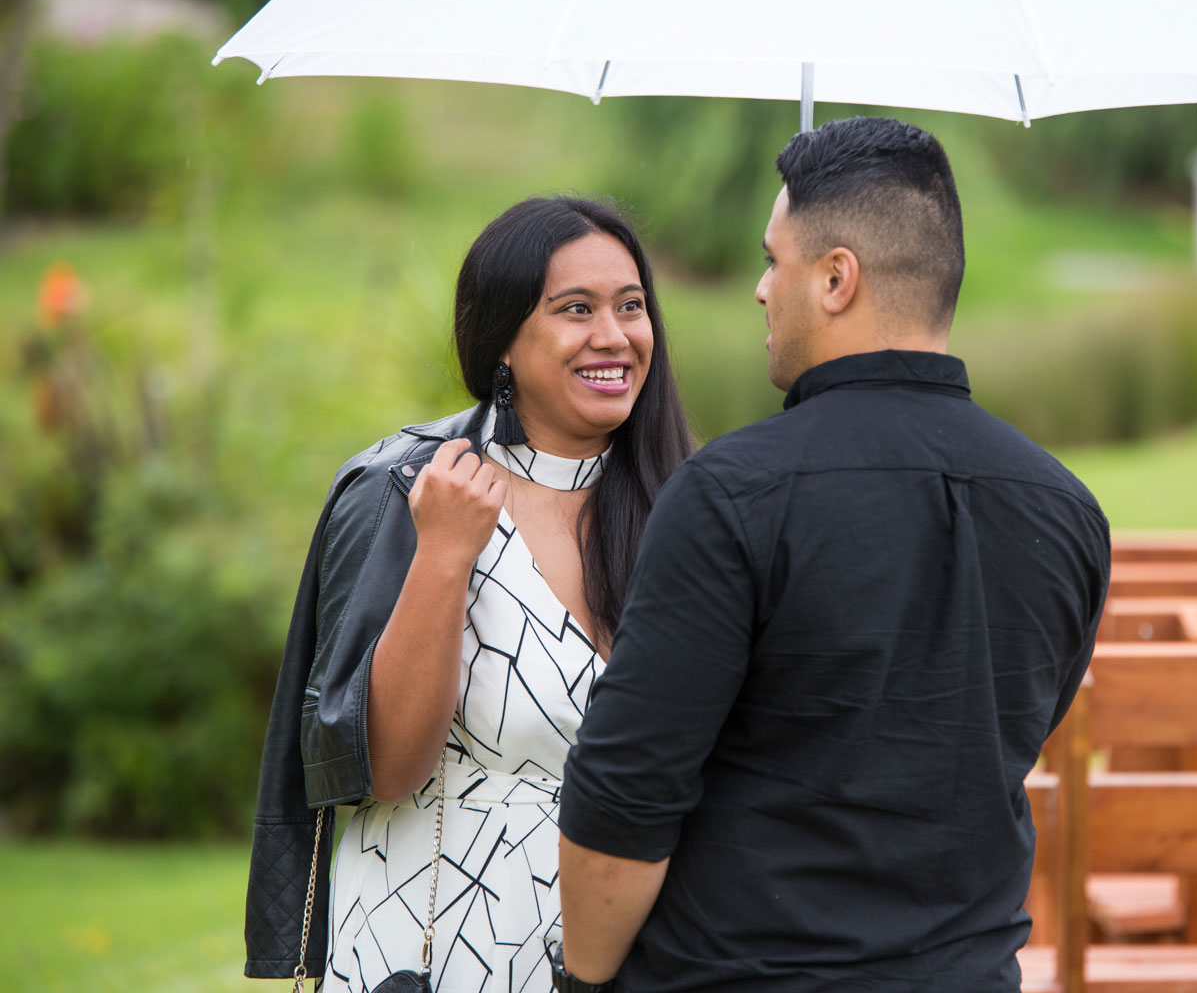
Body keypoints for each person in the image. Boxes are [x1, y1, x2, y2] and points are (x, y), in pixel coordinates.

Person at [555, 117, 1111, 992]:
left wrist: (584, 980)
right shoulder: (1067, 510)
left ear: (836, 277)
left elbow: (625, 795)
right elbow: (1008, 737)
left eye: (775, 261)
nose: (760, 289)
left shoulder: (731, 494)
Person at [242, 196, 695, 992]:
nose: (614, 336)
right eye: (575, 310)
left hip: (630, 949)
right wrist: (446, 554)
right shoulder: (410, 491)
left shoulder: (688, 509)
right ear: (503, 342)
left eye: (631, 306)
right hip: (439, 938)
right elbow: (383, 768)